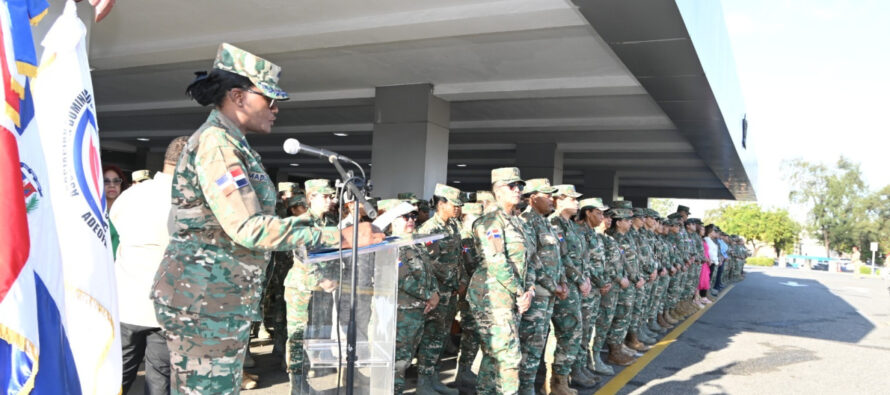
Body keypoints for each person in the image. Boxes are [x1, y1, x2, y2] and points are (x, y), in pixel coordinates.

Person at [150, 43, 382, 395]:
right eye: (269, 100)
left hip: (217, 296)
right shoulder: (217, 145)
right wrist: (340, 238)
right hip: (205, 300)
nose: (275, 110)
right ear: (238, 96)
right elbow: (248, 228)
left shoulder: (233, 144)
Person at [111, 136, 187, 395]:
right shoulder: (186, 202)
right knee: (159, 378)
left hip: (126, 301)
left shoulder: (130, 195)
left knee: (117, 374)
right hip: (165, 306)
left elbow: (116, 228)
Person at [469, 167, 534, 395]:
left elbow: (529, 260)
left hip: (513, 297)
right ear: (498, 190)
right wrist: (520, 292)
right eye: (512, 186)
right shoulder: (490, 222)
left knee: (494, 354)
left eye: (520, 186)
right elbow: (496, 262)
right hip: (493, 297)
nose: (518, 190)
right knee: (508, 358)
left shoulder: (518, 222)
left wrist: (530, 290)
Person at [379, 198, 441, 395]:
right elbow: (403, 278)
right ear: (393, 221)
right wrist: (429, 296)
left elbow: (429, 273)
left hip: (418, 311)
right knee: (397, 361)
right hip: (402, 312)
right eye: (405, 216)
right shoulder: (390, 246)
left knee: (406, 360)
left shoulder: (417, 244)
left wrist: (436, 293)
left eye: (413, 216)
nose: (411, 220)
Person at [517, 179, 567, 394]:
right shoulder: (526, 221)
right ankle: (524, 389)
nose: (551, 199)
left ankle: (532, 387)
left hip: (549, 293)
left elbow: (557, 256)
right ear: (532, 198)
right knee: (528, 346)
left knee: (538, 345)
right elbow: (532, 259)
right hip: (536, 294)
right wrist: (552, 285)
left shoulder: (546, 222)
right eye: (546, 195)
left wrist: (562, 281)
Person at [415, 183, 466, 395]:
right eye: (453, 204)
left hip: (450, 293)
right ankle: (423, 383)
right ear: (440, 204)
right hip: (436, 292)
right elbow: (428, 263)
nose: (457, 208)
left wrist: (461, 279)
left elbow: (458, 258)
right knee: (431, 337)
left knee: (442, 337)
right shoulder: (429, 230)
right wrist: (453, 279)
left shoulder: (453, 226)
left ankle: (434, 377)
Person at [549, 184, 592, 391]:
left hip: (575, 285)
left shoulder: (571, 225)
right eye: (572, 199)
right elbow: (562, 257)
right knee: (568, 331)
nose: (577, 202)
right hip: (564, 286)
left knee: (575, 332)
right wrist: (580, 279)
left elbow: (581, 256)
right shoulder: (554, 223)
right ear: (558, 199)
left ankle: (563, 378)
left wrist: (585, 278)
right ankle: (557, 382)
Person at [456, 202, 484, 390]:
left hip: (476, 292)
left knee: (473, 333)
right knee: (470, 333)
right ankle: (463, 372)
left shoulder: (473, 238)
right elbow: (469, 265)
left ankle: (466, 372)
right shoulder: (466, 239)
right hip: (469, 293)